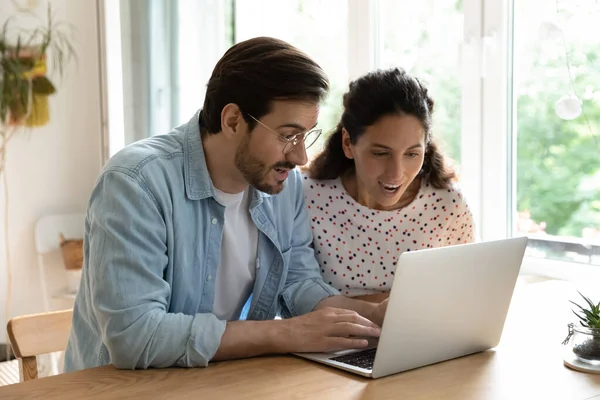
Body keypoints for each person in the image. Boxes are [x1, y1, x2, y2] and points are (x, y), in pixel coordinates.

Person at [64, 37, 387, 372]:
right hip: (121, 390)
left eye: (305, 136)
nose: (300, 156)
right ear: (233, 120)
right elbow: (134, 337)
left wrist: (370, 314)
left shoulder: (283, 184)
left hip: (213, 382)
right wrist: (283, 333)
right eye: (288, 136)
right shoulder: (136, 183)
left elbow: (297, 282)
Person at [302, 68, 475, 303]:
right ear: (348, 143)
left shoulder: (447, 205)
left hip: (425, 339)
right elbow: (294, 296)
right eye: (381, 153)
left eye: (412, 154)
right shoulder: (308, 198)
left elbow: (466, 293)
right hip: (331, 340)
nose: (396, 173)